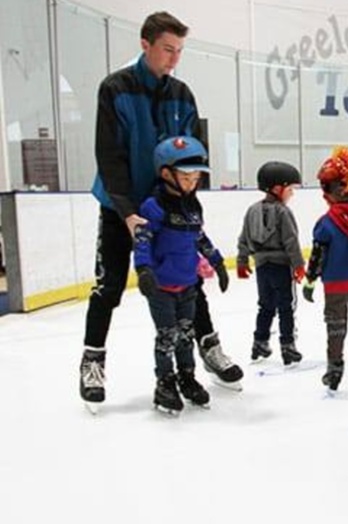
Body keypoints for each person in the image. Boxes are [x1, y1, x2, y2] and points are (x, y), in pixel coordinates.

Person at [78, 11, 241, 412]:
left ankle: (209, 347)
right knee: (109, 285)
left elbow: (194, 153)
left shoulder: (182, 95)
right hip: (122, 208)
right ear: (145, 44)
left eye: (180, 51)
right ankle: (92, 360)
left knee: (188, 282)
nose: (174, 59)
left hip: (170, 207)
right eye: (168, 49)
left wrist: (186, 198)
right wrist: (130, 212)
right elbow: (109, 156)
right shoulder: (115, 89)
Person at [133, 136, 229, 414]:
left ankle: (187, 377)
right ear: (166, 174)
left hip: (188, 284)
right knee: (167, 336)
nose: (192, 183)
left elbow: (200, 237)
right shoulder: (154, 206)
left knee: (186, 334)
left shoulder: (193, 206)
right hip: (161, 286)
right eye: (186, 177)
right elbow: (142, 240)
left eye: (196, 177)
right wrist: (143, 269)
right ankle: (165, 383)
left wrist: (218, 263)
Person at [301, 147, 348, 391]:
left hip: (335, 286)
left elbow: (318, 255)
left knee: (336, 328)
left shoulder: (326, 223)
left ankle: (334, 370)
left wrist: (310, 280)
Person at [236, 161, 306, 365]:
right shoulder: (283, 212)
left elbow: (243, 238)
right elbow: (291, 241)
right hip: (280, 266)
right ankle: (288, 346)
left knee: (265, 305)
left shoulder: (252, 210)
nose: (292, 194)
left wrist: (242, 260)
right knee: (286, 306)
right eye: (290, 189)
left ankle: (260, 342)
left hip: (261, 267)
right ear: (277, 188)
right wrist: (299, 265)